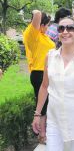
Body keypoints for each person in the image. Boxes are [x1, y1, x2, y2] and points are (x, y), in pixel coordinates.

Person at [32, 17, 74, 150]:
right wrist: (37, 114)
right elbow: (45, 86)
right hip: (55, 123)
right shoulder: (50, 57)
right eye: (61, 28)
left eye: (70, 28)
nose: (65, 31)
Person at [23, 10, 55, 144]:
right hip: (39, 73)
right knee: (42, 105)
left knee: (48, 104)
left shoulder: (44, 37)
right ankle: (42, 135)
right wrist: (37, 12)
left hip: (48, 73)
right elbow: (36, 16)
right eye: (47, 25)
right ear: (40, 25)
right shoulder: (33, 34)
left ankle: (45, 131)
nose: (48, 28)